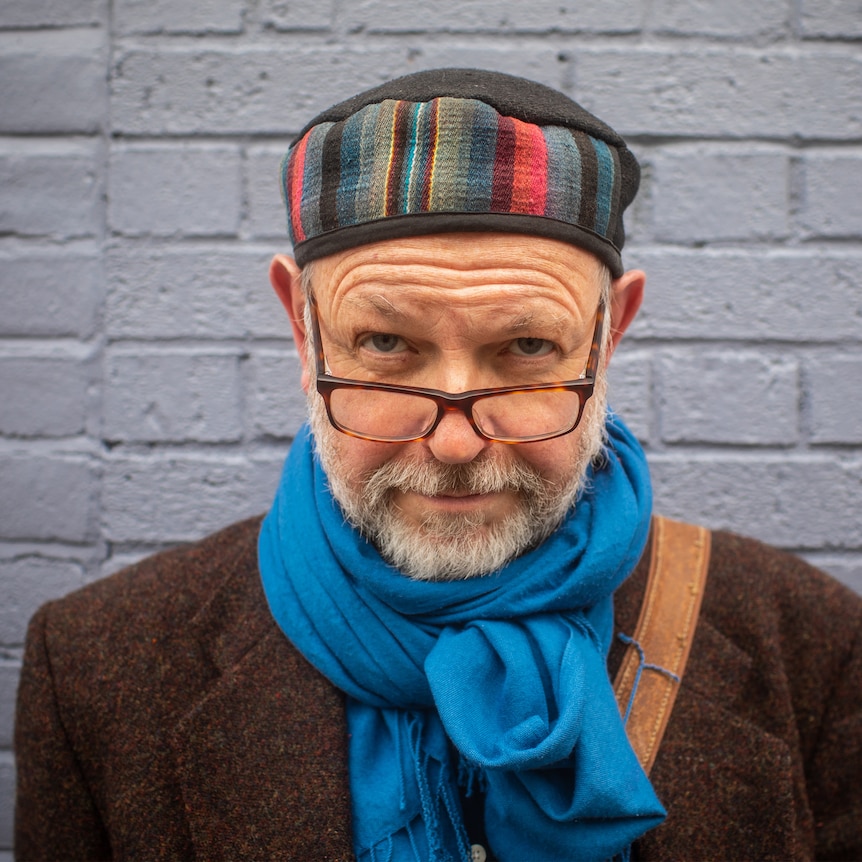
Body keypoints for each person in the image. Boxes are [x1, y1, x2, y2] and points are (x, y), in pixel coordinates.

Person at [14, 68, 861, 862]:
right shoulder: (95, 665)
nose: (455, 445)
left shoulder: (814, 650)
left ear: (611, 333)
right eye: (385, 344)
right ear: (303, 332)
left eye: (528, 347)